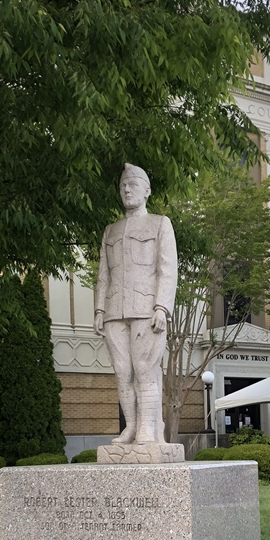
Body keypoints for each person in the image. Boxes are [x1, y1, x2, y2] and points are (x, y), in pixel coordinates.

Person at [94, 164, 177, 444]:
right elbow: (103, 275)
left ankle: (148, 430)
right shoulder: (110, 231)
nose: (127, 189)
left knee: (145, 370)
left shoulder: (160, 223)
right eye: (122, 186)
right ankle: (131, 426)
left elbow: (168, 269)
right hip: (114, 310)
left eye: (132, 184)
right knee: (122, 372)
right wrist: (99, 310)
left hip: (146, 309)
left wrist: (162, 307)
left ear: (147, 190)